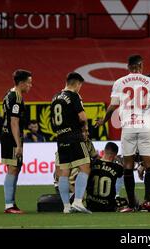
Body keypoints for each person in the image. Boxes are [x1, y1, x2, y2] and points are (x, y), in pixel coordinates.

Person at [96, 55, 150, 212]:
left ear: (128, 67)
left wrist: (104, 120)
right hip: (146, 128)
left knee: (127, 166)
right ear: (141, 66)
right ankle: (147, 201)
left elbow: (112, 106)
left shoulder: (119, 82)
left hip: (128, 128)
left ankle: (132, 204)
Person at [51, 72, 92, 214]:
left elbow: (53, 122)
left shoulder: (55, 97)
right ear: (77, 84)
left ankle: (66, 207)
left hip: (60, 138)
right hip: (74, 136)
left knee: (64, 172)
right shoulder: (74, 95)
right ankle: (78, 202)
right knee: (85, 167)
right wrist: (85, 129)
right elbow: (82, 117)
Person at [0, 69, 32, 214]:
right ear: (21, 83)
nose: (30, 86)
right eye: (29, 83)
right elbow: (14, 122)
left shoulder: (9, 93)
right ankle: (9, 205)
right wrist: (18, 144)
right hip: (11, 137)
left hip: (7, 135)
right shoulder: (17, 98)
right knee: (13, 169)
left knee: (15, 168)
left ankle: (11, 202)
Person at [86, 142, 124, 212]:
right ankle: (117, 195)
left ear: (104, 151)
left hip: (91, 205)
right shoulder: (118, 167)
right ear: (115, 155)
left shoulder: (93, 163)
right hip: (108, 207)